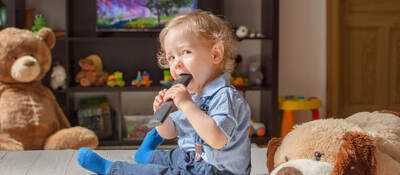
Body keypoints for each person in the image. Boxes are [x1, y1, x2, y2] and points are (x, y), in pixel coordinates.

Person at [77, 10, 251, 175]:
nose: (176, 64)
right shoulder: (192, 95)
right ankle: (145, 156)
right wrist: (164, 118)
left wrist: (186, 105)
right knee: (173, 155)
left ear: (215, 54)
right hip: (192, 159)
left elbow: (217, 139)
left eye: (185, 52)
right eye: (171, 57)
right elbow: (169, 133)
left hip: (217, 170)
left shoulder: (226, 97)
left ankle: (112, 169)